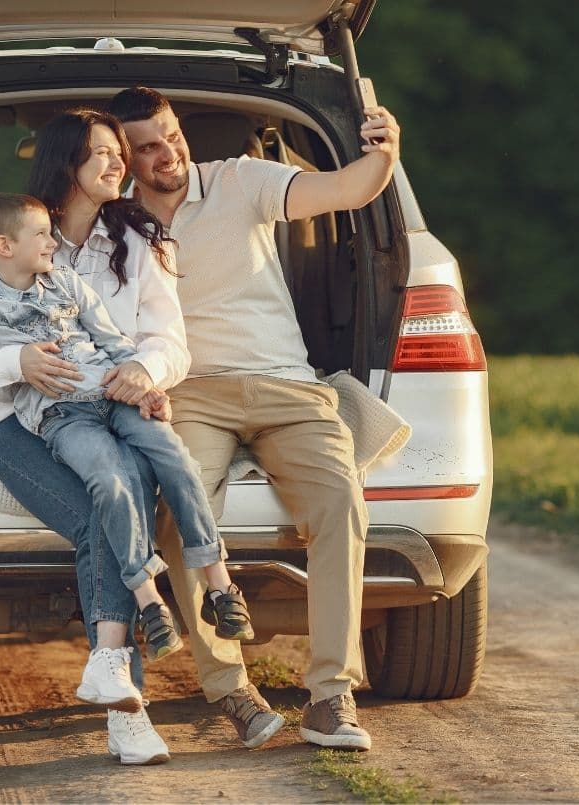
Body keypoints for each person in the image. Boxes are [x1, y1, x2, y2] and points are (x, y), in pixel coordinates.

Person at [0, 110, 286, 766]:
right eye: (103, 154)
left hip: (117, 403)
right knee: (103, 514)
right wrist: (16, 364)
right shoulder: (24, 241)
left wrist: (145, 369)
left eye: (118, 152)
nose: (120, 164)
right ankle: (128, 709)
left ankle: (121, 682)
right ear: (66, 166)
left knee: (128, 487)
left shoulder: (141, 239)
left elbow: (170, 340)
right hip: (28, 423)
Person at [105, 86, 401, 751]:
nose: (167, 154)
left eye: (171, 135)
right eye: (147, 147)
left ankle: (331, 695)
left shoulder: (240, 180)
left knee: (338, 496)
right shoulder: (113, 224)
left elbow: (348, 189)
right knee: (182, 512)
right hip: (192, 394)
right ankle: (232, 691)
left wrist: (386, 152)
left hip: (286, 386)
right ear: (123, 156)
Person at [0, 191, 255, 669]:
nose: (51, 242)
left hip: (112, 394)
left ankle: (221, 585)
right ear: (4, 246)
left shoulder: (67, 281)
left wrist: (145, 385)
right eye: (40, 234)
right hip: (63, 416)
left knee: (176, 459)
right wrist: (18, 361)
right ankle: (150, 601)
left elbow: (111, 339)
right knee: (110, 480)